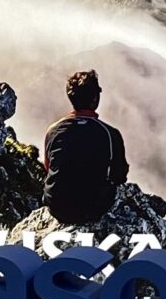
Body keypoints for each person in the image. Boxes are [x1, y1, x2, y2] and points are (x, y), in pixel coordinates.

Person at [42, 69, 128, 227]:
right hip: (92, 209)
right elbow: (119, 175)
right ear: (96, 98)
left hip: (57, 206)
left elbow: (48, 168)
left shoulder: (53, 130)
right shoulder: (110, 134)